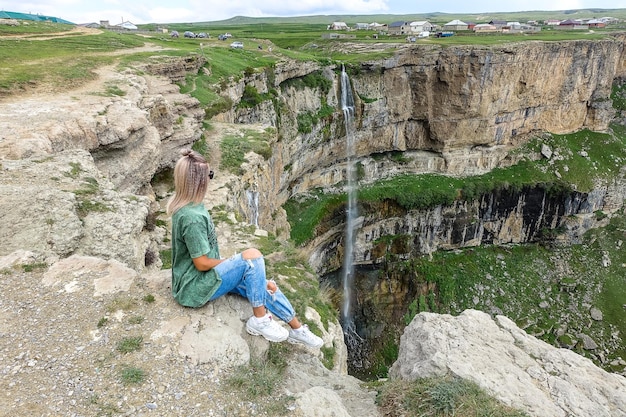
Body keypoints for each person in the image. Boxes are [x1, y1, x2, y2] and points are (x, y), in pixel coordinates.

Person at [167, 149, 323, 348]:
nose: (210, 179)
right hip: (194, 288)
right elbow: (202, 263)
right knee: (253, 258)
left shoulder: (190, 207)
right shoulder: (192, 218)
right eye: (210, 175)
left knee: (263, 283)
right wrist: (235, 264)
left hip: (200, 280)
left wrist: (240, 269)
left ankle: (297, 329)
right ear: (199, 181)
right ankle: (259, 320)